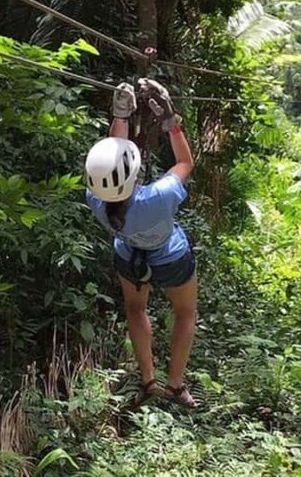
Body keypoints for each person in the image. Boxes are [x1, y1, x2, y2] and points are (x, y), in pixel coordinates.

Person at [84, 79, 198, 408]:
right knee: (185, 313)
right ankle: (175, 386)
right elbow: (185, 164)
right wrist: (170, 122)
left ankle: (149, 381)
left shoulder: (96, 201)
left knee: (135, 310)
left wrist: (121, 116)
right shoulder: (158, 197)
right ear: (135, 174)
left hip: (128, 257)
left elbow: (111, 158)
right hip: (170, 258)